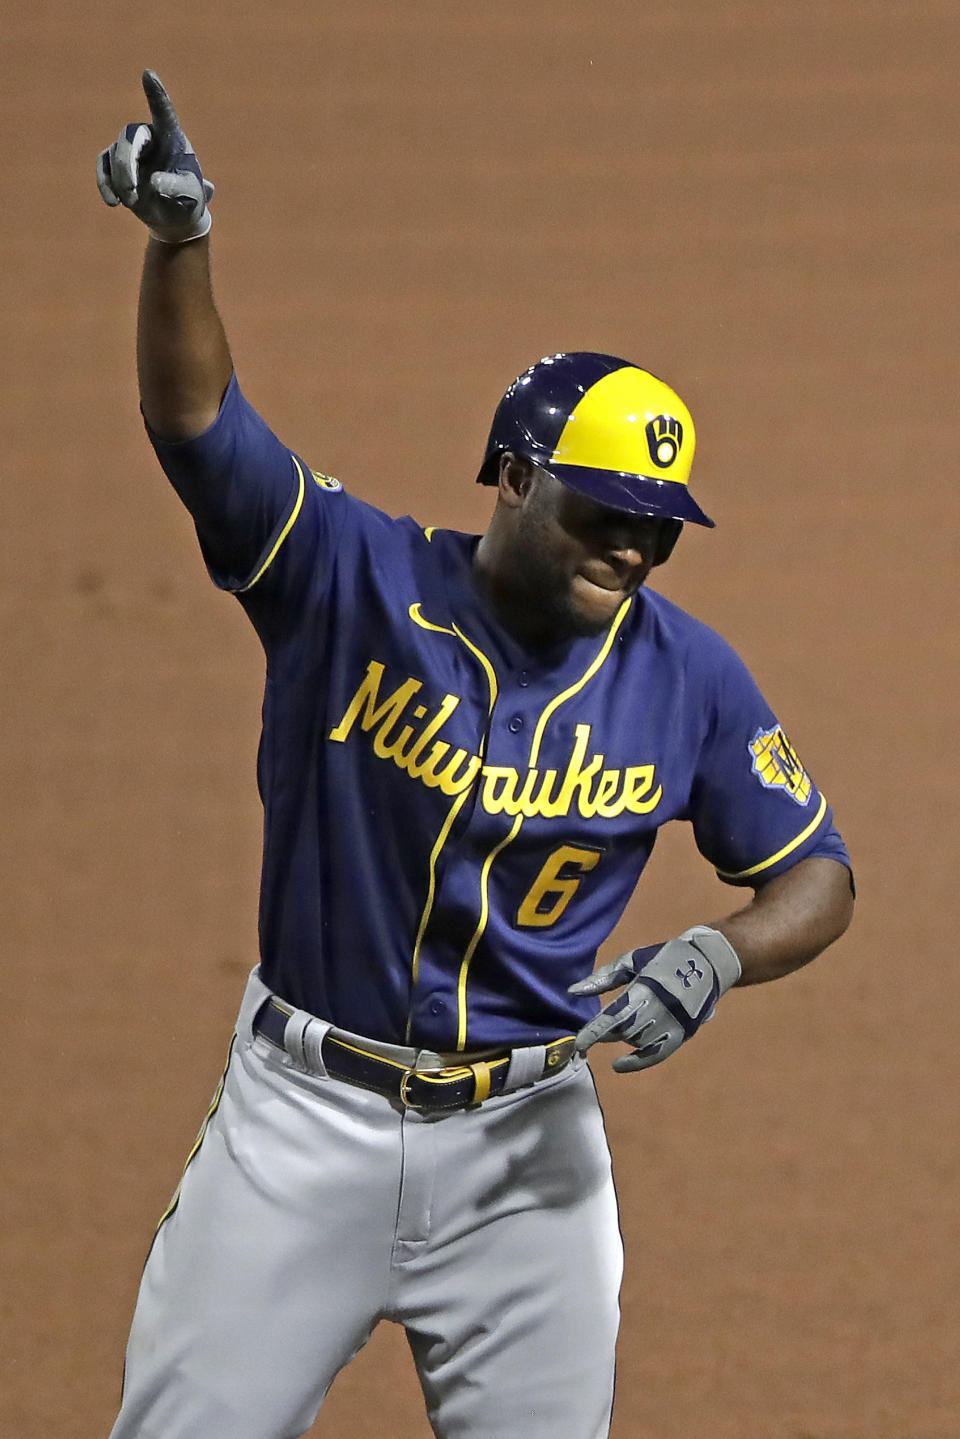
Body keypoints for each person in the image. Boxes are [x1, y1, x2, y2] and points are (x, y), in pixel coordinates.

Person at [96, 72, 854, 1439]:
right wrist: (181, 242)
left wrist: (717, 954)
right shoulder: (350, 578)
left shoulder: (691, 678)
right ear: (510, 474)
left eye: (661, 527)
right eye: (605, 511)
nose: (634, 546)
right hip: (301, 1130)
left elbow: (818, 873)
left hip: (528, 1155)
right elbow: (199, 422)